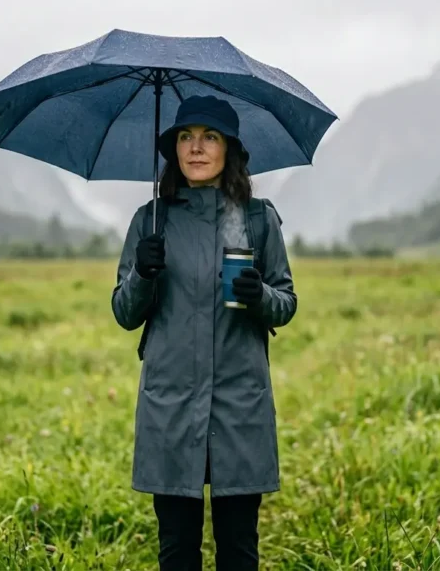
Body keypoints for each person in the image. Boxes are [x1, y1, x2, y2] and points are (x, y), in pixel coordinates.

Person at [111, 95, 297, 570]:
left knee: (238, 549)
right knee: (176, 549)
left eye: (209, 137)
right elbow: (124, 313)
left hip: (239, 404)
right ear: (173, 148)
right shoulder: (150, 221)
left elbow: (286, 304)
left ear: (229, 149)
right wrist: (143, 274)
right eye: (185, 137)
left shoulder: (258, 219)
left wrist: (260, 297)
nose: (195, 148)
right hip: (171, 406)